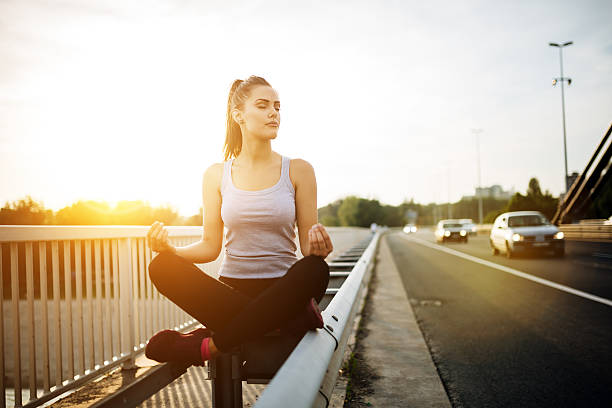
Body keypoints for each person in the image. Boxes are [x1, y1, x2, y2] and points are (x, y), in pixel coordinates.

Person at [144, 75, 334, 367]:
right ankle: (280, 322)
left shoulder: (299, 170)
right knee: (161, 267)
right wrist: (171, 249)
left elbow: (308, 249)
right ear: (238, 115)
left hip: (284, 289)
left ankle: (207, 347)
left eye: (277, 106)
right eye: (263, 106)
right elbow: (210, 246)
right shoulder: (215, 175)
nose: (274, 113)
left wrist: (319, 248)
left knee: (315, 269)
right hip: (233, 291)